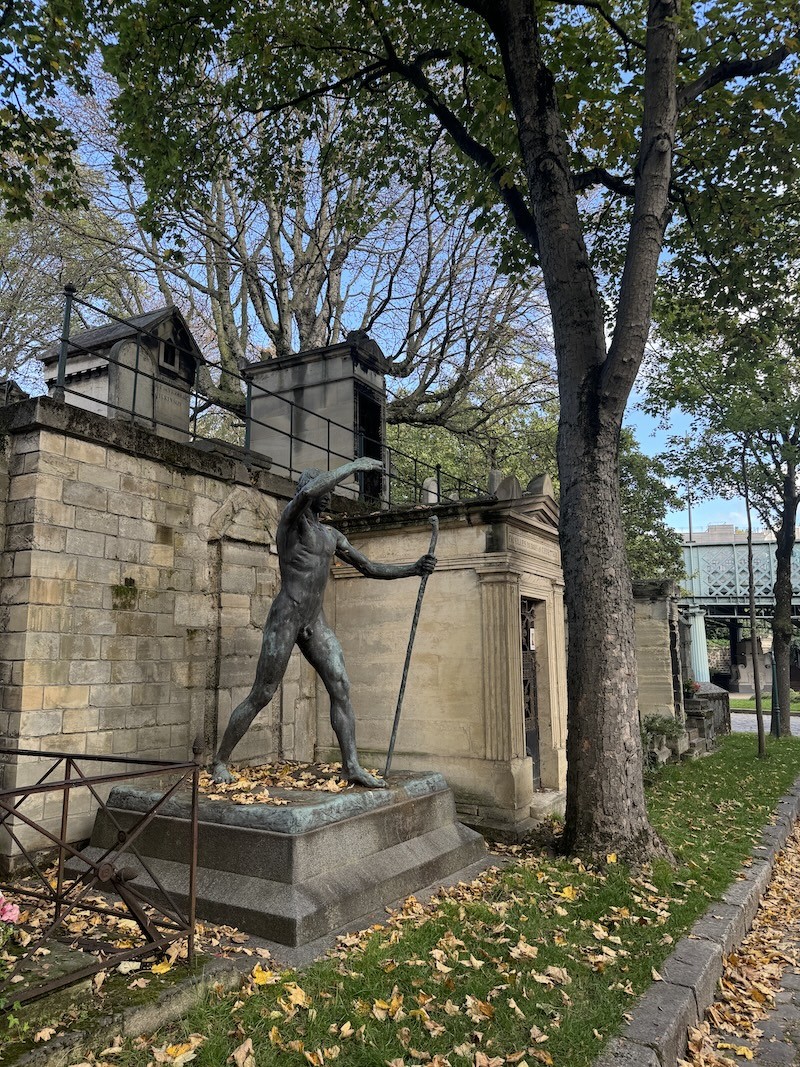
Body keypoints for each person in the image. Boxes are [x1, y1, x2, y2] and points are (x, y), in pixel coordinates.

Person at [211, 457, 437, 787]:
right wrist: (355, 466)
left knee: (341, 686)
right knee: (263, 693)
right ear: (310, 491)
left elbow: (369, 567)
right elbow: (308, 493)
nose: (330, 495)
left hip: (314, 620)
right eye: (326, 489)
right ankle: (220, 760)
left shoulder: (331, 535)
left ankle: (351, 765)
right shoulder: (291, 523)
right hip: (286, 616)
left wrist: (413, 568)